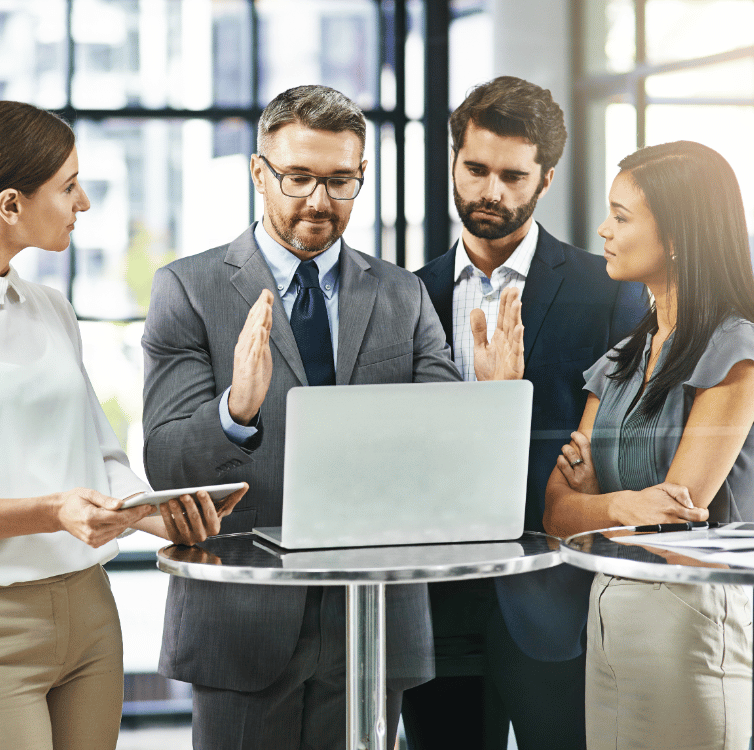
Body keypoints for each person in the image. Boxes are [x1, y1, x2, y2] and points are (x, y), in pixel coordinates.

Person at [0, 100, 244, 750]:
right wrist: (53, 511)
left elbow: (100, 457)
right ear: (8, 204)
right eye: (68, 185)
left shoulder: (50, 308)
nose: (82, 202)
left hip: (86, 609)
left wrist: (153, 513)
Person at [141, 84, 522, 750]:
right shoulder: (188, 291)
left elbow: (446, 459)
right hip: (245, 623)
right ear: (259, 174)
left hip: (373, 624)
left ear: (362, 176)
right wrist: (237, 408)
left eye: (340, 181)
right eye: (298, 178)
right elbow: (168, 461)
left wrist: (487, 400)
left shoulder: (401, 295)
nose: (319, 201)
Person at [403, 76, 649, 750]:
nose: (492, 192)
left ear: (544, 180)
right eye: (476, 169)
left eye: (513, 176)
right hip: (434, 601)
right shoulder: (403, 297)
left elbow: (614, 455)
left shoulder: (609, 295)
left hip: (557, 601)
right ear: (452, 162)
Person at [544, 140, 754, 750]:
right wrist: (625, 507)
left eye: (623, 216)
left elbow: (679, 513)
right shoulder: (619, 360)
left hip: (689, 622)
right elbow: (558, 513)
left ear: (680, 235)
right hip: (609, 608)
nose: (603, 230)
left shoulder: (738, 350)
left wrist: (601, 503)